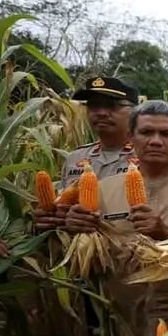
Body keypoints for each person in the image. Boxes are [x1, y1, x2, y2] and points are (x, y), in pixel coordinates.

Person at [63, 100, 168, 336]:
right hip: (118, 320)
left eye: (166, 134)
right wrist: (73, 228)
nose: (155, 141)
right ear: (131, 138)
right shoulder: (102, 190)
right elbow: (85, 254)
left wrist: (167, 231)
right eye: (146, 132)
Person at [34, 76, 140, 232]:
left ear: (135, 111)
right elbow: (63, 207)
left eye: (111, 105)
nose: (101, 113)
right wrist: (51, 219)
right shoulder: (75, 157)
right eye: (94, 105)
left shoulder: (149, 155)